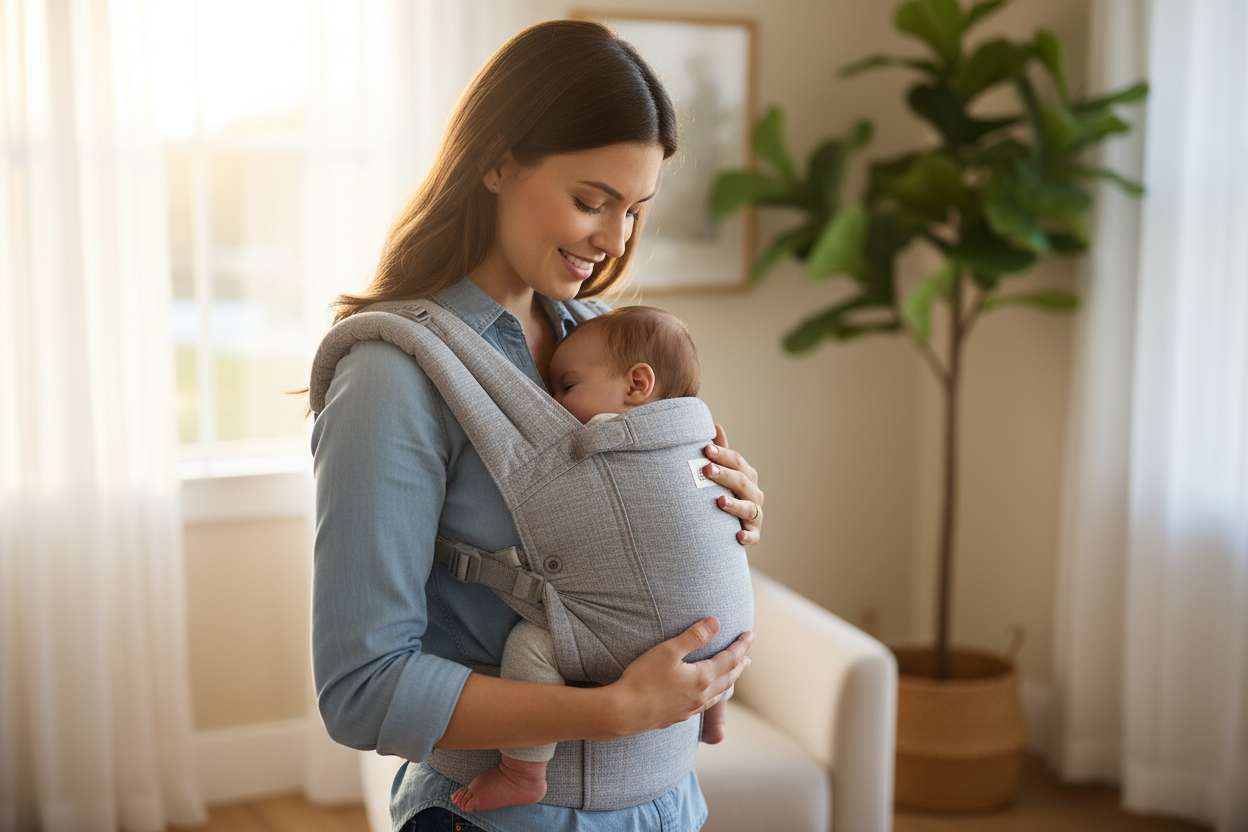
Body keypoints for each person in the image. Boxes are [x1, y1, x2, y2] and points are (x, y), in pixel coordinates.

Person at [311, 19, 764, 832]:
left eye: (635, 211)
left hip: (670, 805)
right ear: (496, 160)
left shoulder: (603, 340)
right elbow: (362, 689)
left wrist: (722, 507)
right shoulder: (392, 375)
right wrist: (611, 712)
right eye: (592, 201)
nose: (614, 240)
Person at [449, 306, 734, 814]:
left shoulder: (605, 437)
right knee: (711, 613)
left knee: (531, 645)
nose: (555, 404)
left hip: (643, 635)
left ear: (637, 384)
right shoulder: (696, 438)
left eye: (568, 386)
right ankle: (712, 713)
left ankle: (522, 771)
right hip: (723, 627)